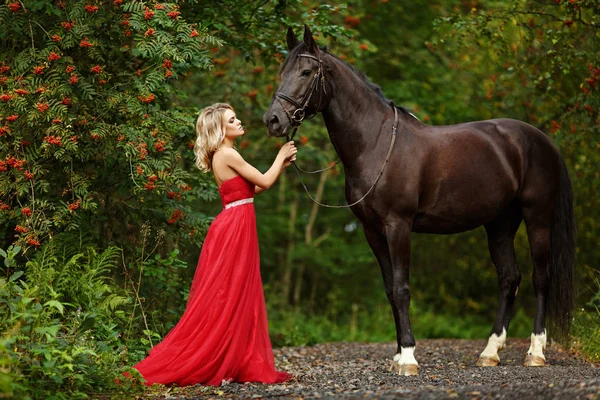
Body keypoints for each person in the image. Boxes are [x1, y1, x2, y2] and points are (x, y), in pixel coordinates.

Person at [131, 103, 296, 386]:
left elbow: (251, 189)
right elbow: (265, 182)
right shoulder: (228, 154)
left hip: (235, 222)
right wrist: (280, 156)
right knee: (229, 292)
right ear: (221, 129)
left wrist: (280, 165)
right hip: (235, 227)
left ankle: (235, 356)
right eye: (233, 120)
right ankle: (209, 355)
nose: (239, 121)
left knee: (237, 290)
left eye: (236, 117)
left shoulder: (224, 154)